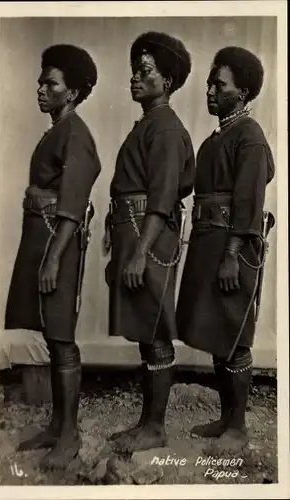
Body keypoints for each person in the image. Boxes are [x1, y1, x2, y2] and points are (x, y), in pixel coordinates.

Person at [5, 44, 101, 469]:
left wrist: (54, 258)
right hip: (40, 237)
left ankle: (70, 435)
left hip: (55, 242)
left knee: (61, 338)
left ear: (74, 92)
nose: (41, 88)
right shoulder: (56, 130)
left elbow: (73, 204)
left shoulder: (76, 133)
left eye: (52, 83)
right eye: (41, 81)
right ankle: (56, 425)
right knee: (50, 335)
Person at [176, 46, 275, 451]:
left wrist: (233, 254)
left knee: (235, 334)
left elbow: (249, 201)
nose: (210, 91)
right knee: (218, 333)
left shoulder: (248, 136)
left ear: (245, 92)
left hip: (231, 247)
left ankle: (237, 428)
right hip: (207, 243)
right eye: (209, 84)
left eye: (221, 85)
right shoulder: (214, 139)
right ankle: (225, 420)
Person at [104, 31, 195, 453]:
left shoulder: (166, 128)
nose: (135, 79)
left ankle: (156, 428)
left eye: (145, 72)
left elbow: (161, 198)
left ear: (168, 81)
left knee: (156, 328)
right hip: (133, 228)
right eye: (134, 72)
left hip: (149, 234)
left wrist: (140, 253)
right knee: (145, 328)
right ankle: (146, 423)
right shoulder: (149, 123)